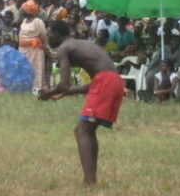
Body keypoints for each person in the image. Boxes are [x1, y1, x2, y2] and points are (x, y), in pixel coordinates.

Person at [38, 20, 123, 186]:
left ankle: (89, 181)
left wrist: (49, 93)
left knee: (83, 130)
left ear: (56, 34)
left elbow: (64, 84)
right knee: (88, 130)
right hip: (114, 81)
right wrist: (64, 94)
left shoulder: (64, 48)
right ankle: (90, 180)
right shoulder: (80, 44)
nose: (48, 39)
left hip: (105, 82)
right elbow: (95, 82)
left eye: (49, 35)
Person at [18, 0, 49, 89]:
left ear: (29, 11)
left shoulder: (38, 21)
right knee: (24, 68)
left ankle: (37, 88)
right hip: (23, 50)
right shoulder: (24, 21)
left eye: (24, 11)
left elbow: (43, 36)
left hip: (35, 50)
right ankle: (26, 87)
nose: (22, 12)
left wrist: (35, 42)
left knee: (36, 69)